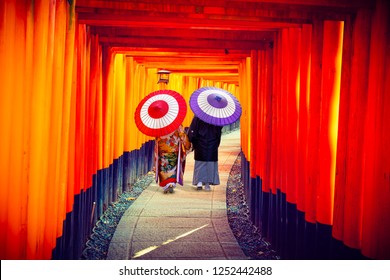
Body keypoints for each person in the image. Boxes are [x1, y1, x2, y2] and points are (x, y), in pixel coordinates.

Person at [188, 116, 223, 191]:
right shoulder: (216, 116)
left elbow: (193, 130)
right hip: (212, 141)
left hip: (200, 141)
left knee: (200, 163)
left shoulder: (198, 115)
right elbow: (219, 129)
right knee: (210, 164)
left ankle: (199, 182)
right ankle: (207, 183)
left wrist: (192, 141)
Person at [155, 124, 191, 193]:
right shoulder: (177, 124)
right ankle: (171, 183)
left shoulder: (159, 124)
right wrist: (187, 145)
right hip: (174, 149)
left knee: (164, 168)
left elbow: (157, 138)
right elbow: (182, 134)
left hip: (163, 150)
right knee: (173, 167)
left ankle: (166, 185)